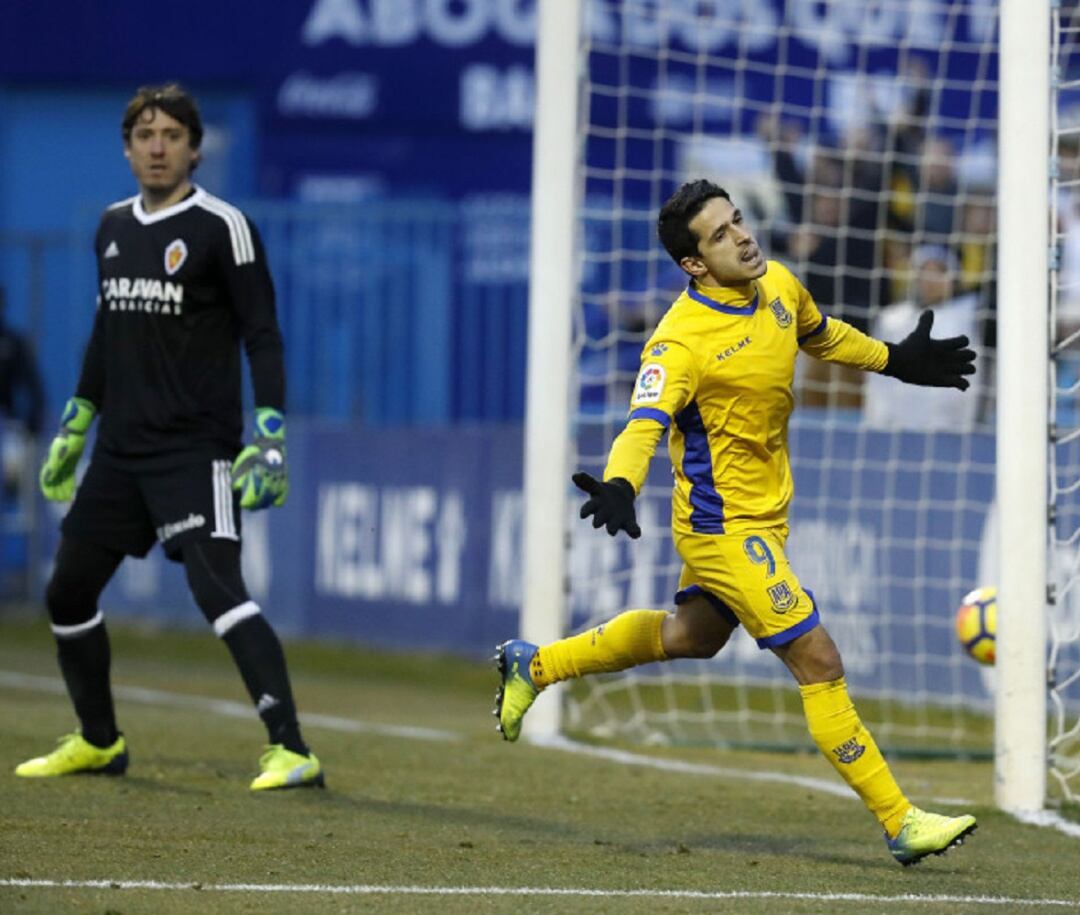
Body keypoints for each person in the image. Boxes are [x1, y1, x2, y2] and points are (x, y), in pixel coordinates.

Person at [494, 180, 977, 866]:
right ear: (693, 263)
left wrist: (896, 360)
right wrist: (623, 481)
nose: (742, 236)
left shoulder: (778, 282)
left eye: (738, 221)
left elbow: (821, 334)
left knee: (690, 636)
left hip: (766, 516)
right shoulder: (679, 342)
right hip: (722, 530)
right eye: (719, 234)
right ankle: (901, 820)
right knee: (818, 657)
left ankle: (535, 663)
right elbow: (645, 421)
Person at [15, 84, 322, 790]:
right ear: (126, 149)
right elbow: (107, 329)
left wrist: (269, 430)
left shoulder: (223, 227)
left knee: (217, 590)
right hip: (120, 452)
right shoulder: (111, 226)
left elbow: (263, 334)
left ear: (194, 147)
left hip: (195, 449)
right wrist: (77, 420)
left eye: (172, 135)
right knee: (67, 592)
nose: (158, 146)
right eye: (145, 135)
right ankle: (99, 740)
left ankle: (292, 747)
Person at [864, 244, 985, 430]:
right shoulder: (892, 319)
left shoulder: (969, 313)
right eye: (924, 273)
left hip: (951, 427)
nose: (930, 281)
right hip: (899, 428)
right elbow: (878, 381)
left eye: (938, 273)